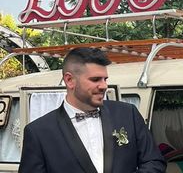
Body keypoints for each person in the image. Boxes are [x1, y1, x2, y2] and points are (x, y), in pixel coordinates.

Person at [19, 47, 166, 173]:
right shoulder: (39, 132)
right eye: (95, 80)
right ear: (70, 80)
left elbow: (154, 162)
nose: (103, 86)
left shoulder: (127, 114)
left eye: (105, 79)